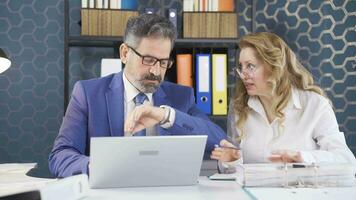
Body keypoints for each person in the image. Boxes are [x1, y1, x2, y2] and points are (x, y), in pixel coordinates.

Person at [49, 13, 227, 178]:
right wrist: (97, 166)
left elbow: (220, 141)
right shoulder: (88, 94)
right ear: (125, 53)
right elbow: (60, 156)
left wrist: (166, 116)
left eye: (163, 62)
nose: (156, 71)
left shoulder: (181, 96)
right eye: (148, 60)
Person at [211, 32, 356, 168]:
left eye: (250, 66)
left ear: (274, 66)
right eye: (241, 67)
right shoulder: (239, 108)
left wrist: (303, 158)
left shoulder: (315, 105)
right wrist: (230, 161)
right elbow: (231, 172)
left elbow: (346, 159)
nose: (243, 75)